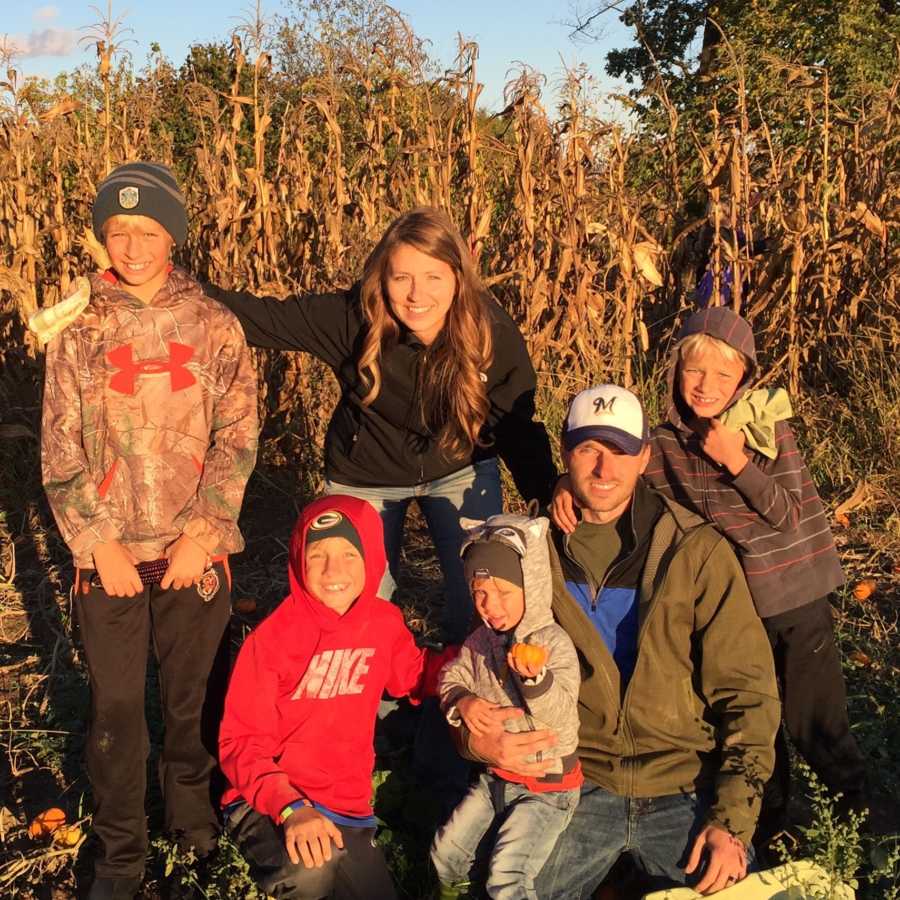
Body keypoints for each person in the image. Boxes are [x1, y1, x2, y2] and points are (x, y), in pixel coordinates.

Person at [555, 307, 868, 844]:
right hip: (729, 602)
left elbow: (789, 513)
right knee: (750, 719)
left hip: (789, 598)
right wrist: (566, 481)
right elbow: (618, 476)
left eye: (724, 376)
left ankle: (867, 829)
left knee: (812, 723)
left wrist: (738, 461)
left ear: (743, 378)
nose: (707, 386)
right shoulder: (666, 440)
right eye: (695, 371)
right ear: (675, 370)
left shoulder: (765, 428)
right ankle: (767, 834)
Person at [464, 384, 780, 898]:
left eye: (620, 451)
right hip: (569, 781)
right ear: (565, 453)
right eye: (589, 449)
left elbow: (748, 695)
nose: (604, 470)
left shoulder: (694, 551)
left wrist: (731, 822)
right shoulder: (526, 555)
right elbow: (476, 664)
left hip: (681, 781)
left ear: (645, 457)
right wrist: (473, 736)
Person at [40, 161, 259, 900]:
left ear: (175, 235)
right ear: (104, 236)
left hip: (193, 553)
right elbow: (59, 447)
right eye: (118, 230)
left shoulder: (216, 327)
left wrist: (204, 530)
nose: (132, 246)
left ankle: (194, 832)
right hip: (109, 558)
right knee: (117, 711)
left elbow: (238, 437)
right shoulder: (78, 331)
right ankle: (122, 855)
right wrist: (97, 542)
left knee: (189, 702)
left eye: (148, 229)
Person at [204, 207, 557, 643]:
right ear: (381, 278)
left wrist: (548, 494)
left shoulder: (490, 332)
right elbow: (258, 318)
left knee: (480, 606)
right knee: (364, 610)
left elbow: (516, 425)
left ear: (457, 277)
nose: (416, 294)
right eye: (401, 277)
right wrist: (168, 288)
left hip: (460, 470)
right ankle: (382, 707)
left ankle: (460, 695)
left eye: (433, 277)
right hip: (364, 476)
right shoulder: (352, 319)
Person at [218, 495, 454, 900]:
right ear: (298, 559)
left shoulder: (383, 623)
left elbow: (413, 675)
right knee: (312, 871)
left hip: (345, 805)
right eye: (317, 555)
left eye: (349, 554)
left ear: (371, 557)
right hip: (271, 800)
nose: (333, 571)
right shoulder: (272, 641)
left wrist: (475, 665)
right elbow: (240, 743)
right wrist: (291, 808)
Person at [431, 513, 582, 899]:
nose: (490, 605)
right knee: (445, 854)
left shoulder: (553, 643)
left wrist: (536, 681)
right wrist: (462, 701)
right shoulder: (480, 641)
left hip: (547, 789)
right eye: (479, 592)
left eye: (504, 592)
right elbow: (451, 677)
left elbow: (563, 723)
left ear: (529, 585)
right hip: (494, 778)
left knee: (508, 877)